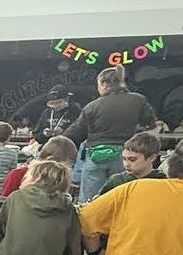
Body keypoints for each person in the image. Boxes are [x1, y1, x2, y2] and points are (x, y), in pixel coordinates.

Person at [64, 65, 157, 202]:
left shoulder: (91, 106)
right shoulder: (138, 100)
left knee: (89, 201)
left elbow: (75, 133)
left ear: (103, 84)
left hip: (95, 156)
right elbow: (150, 124)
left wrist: (55, 143)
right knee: (120, 198)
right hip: (124, 155)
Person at [1, 136, 77, 197]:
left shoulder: (62, 180)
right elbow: (3, 205)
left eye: (68, 169)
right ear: (49, 160)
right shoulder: (17, 175)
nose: (64, 173)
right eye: (61, 168)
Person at [97, 132, 166, 197]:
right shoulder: (116, 181)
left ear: (151, 158)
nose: (126, 164)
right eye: (124, 159)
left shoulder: (163, 181)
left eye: (132, 160)